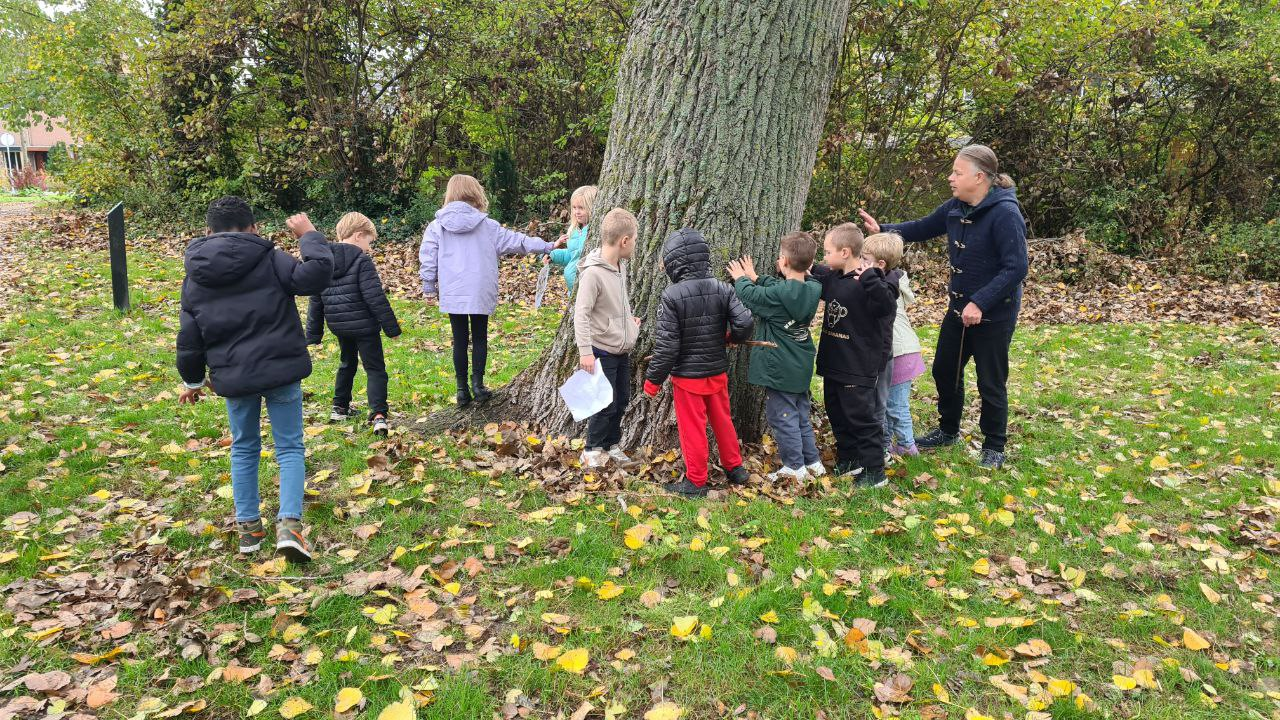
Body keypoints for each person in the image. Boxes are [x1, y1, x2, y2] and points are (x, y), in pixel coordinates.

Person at [176, 196, 333, 563]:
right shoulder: (270, 258)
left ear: (207, 230)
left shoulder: (195, 273)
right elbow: (315, 276)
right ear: (253, 228)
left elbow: (189, 336)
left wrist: (193, 380)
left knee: (244, 447)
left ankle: (249, 528)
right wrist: (309, 236)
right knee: (290, 447)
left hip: (233, 376)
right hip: (281, 368)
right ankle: (290, 526)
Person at [858, 144, 1028, 469]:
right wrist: (884, 230)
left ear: (979, 177)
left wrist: (980, 302)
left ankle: (994, 446)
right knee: (945, 371)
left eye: (957, 173)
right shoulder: (956, 207)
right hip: (958, 312)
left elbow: (1016, 268)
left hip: (994, 314)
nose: (951, 178)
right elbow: (923, 227)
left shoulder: (1005, 214)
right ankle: (949, 430)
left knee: (990, 380)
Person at [419, 174, 564, 407]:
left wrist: (428, 286)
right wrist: (547, 245)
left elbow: (428, 256)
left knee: (459, 339)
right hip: (479, 288)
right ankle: (478, 385)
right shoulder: (487, 226)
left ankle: (461, 389)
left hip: (453, 290)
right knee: (479, 337)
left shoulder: (437, 227)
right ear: (475, 193)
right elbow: (518, 241)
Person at [642, 228, 754, 498]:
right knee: (723, 421)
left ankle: (696, 482)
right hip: (716, 370)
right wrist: (731, 337)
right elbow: (745, 322)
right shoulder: (723, 288)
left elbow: (668, 345)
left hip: (688, 378)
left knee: (692, 429)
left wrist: (652, 381)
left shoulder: (672, 296)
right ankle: (735, 468)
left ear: (674, 263)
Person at [726, 232, 824, 482]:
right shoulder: (813, 288)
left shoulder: (778, 296)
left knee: (783, 417)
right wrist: (757, 277)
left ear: (785, 262)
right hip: (800, 363)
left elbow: (752, 297)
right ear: (810, 264)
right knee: (801, 414)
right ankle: (812, 462)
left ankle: (794, 467)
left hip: (780, 367)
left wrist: (741, 279)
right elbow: (781, 290)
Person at [811, 223, 899, 488]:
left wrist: (871, 278)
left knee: (861, 417)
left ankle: (875, 471)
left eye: (827, 252)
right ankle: (850, 459)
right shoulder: (835, 277)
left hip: (858, 364)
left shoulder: (872, 281)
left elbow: (886, 305)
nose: (824, 258)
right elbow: (816, 274)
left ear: (846, 252)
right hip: (833, 361)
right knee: (837, 412)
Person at [305, 212, 401, 435]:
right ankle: (378, 414)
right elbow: (375, 297)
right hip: (365, 327)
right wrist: (391, 328)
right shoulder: (361, 261)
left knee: (347, 363)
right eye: (369, 241)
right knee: (375, 368)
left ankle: (339, 407)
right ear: (358, 236)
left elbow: (315, 299)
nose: (369, 248)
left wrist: (313, 334)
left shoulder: (323, 261)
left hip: (339, 325)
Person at [574, 208, 641, 467]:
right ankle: (592, 450)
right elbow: (582, 314)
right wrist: (585, 352)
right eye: (634, 240)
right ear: (624, 241)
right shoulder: (593, 273)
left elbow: (615, 306)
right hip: (601, 350)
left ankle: (612, 445)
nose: (634, 245)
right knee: (604, 403)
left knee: (621, 400)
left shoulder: (618, 267)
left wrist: (628, 324)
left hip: (620, 348)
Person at [862, 232, 924, 458]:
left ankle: (908, 445)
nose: (860, 262)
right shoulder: (892, 278)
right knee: (884, 401)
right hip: (901, 350)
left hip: (899, 352)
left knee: (895, 405)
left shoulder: (885, 287)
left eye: (864, 258)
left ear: (881, 264)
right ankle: (886, 442)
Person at [546, 185, 598, 293]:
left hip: (588, 288)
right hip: (573, 291)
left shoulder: (592, 231)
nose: (576, 212)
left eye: (581, 208)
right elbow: (571, 255)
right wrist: (553, 255)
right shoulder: (574, 230)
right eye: (574, 207)